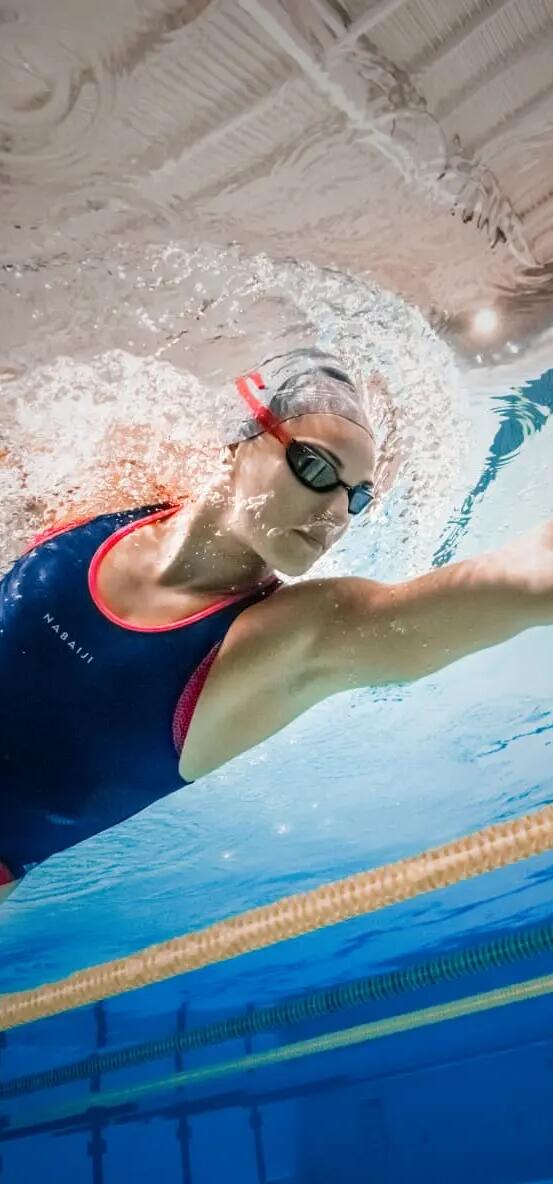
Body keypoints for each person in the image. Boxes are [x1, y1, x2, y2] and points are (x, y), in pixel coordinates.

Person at [1, 348, 552, 899]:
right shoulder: (122, 495)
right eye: (316, 468)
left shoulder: (263, 647)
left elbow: (520, 579)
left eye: (356, 498)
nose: (337, 514)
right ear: (239, 444)